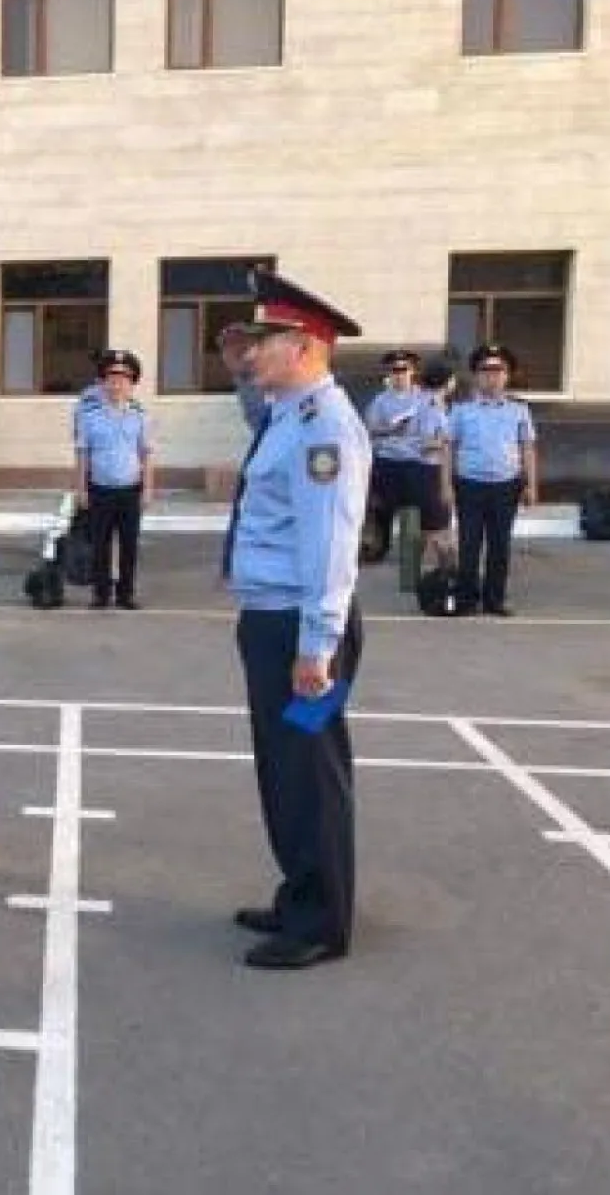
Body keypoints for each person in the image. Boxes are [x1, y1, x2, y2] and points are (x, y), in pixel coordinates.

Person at [225, 270, 370, 972]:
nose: (253, 353)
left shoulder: (327, 431)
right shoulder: (289, 413)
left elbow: (332, 548)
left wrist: (318, 648)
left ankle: (322, 921)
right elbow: (254, 410)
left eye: (265, 341)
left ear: (306, 345)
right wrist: (241, 371)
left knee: (311, 770)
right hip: (272, 622)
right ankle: (301, 892)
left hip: (305, 634)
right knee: (283, 769)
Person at [447, 344, 539, 617]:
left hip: (505, 485)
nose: (492, 376)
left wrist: (531, 484)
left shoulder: (519, 411)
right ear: (476, 375)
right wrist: (445, 485)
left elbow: (527, 448)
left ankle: (494, 600)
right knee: (469, 543)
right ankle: (466, 600)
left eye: (498, 370)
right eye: (485, 370)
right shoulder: (461, 411)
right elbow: (448, 447)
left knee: (500, 545)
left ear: (507, 375)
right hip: (469, 484)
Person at [74, 350, 155, 610]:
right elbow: (82, 454)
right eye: (112, 378)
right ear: (102, 382)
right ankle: (101, 594)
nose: (117, 384)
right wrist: (81, 489)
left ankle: (125, 594)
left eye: (124, 379)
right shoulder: (90, 416)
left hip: (130, 489)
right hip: (100, 489)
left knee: (130, 545)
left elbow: (146, 454)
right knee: (101, 545)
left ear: (132, 384)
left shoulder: (141, 417)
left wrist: (148, 489)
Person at [363, 350, 425, 561]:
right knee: (382, 508)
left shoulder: (424, 400)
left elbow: (437, 429)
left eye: (403, 369)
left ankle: (410, 555)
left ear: (412, 371)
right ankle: (379, 548)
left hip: (414, 461)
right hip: (387, 460)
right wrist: (390, 430)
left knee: (411, 510)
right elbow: (369, 429)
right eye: (394, 370)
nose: (399, 374)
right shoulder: (380, 401)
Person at [410, 356, 457, 570]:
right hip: (431, 471)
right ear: (446, 381)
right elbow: (426, 443)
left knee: (430, 529)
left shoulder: (430, 402)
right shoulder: (431, 406)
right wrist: (450, 442)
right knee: (439, 530)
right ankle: (448, 576)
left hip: (429, 470)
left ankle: (412, 573)